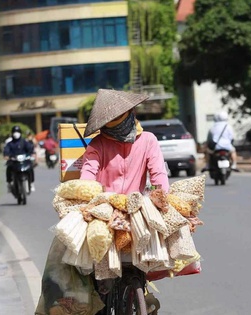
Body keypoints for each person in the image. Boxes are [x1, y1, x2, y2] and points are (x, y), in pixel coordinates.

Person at [80, 89, 168, 313]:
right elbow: (86, 180)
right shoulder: (99, 145)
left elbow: (159, 178)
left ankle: (136, 293)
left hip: (128, 214)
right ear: (132, 113)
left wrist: (163, 202)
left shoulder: (145, 141)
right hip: (112, 215)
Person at [3, 125, 36, 192]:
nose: (16, 133)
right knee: (8, 168)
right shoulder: (10, 143)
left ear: (20, 133)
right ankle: (9, 184)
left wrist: (32, 153)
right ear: (12, 133)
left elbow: (30, 148)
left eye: (17, 132)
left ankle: (32, 183)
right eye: (14, 132)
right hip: (14, 161)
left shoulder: (24, 142)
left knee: (30, 168)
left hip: (24, 160)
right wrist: (7, 155)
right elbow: (6, 150)